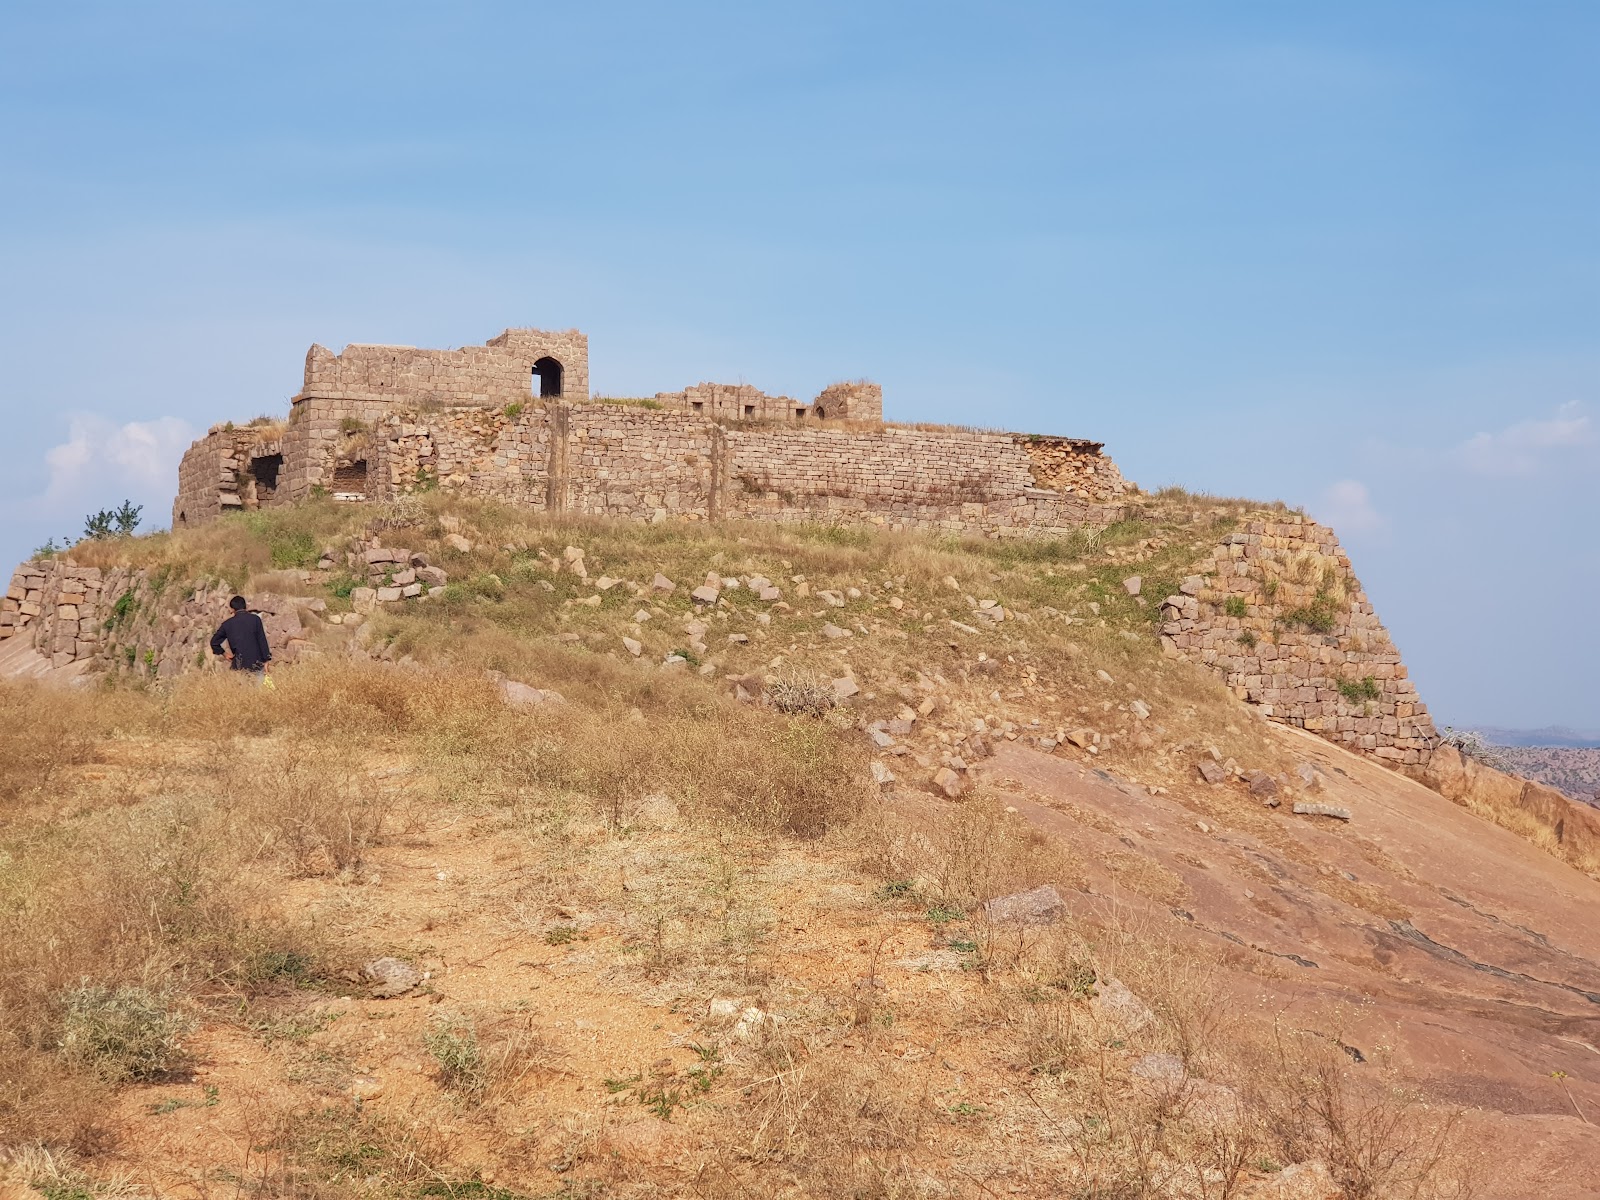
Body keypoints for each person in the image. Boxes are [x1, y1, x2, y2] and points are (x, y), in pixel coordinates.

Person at [210, 595, 273, 673]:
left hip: (239, 665)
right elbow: (262, 641)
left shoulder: (227, 624)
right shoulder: (255, 620)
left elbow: (214, 642)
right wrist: (266, 660)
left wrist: (224, 653)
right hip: (257, 664)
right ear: (245, 606)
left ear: (232, 609)